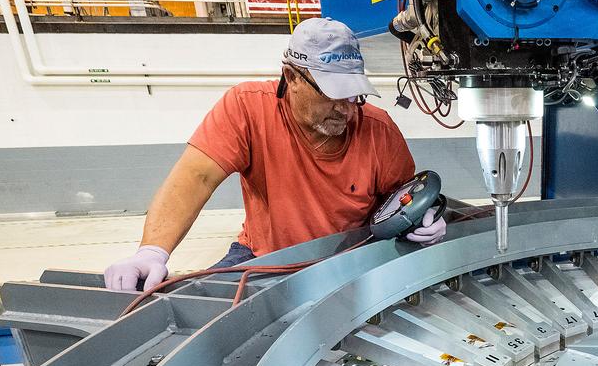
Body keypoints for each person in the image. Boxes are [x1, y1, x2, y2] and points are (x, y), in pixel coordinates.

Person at [104, 18, 445, 291]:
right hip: (263, 256)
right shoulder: (247, 108)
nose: (345, 109)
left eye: (353, 94)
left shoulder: (378, 130)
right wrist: (153, 251)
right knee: (197, 312)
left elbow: (402, 199)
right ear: (292, 77)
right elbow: (195, 177)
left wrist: (423, 220)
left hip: (348, 258)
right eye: (333, 94)